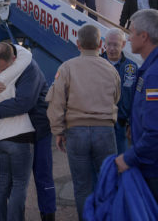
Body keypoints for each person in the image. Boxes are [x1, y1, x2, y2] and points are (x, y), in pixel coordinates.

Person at [0, 45, 56, 221]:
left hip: (38, 128)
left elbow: (24, 102)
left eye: (1, 68)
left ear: (13, 60)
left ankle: (48, 215)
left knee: (42, 176)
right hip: (19, 134)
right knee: (15, 184)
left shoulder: (29, 68)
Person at [46, 24, 120, 221]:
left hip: (76, 133)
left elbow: (56, 103)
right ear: (101, 45)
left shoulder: (67, 68)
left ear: (78, 44)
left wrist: (58, 131)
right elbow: (116, 98)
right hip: (105, 131)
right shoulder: (111, 69)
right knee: (108, 183)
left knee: (82, 186)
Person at [115, 9, 158, 203]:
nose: (129, 38)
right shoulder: (149, 68)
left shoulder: (154, 74)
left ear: (144, 36)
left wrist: (128, 157)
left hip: (153, 167)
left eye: (131, 32)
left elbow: (155, 131)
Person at [101, 28, 138, 154]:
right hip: (99, 125)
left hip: (122, 126)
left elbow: (135, 98)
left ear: (123, 44)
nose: (111, 48)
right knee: (101, 166)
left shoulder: (132, 68)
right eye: (109, 44)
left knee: (121, 164)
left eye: (115, 44)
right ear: (104, 43)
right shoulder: (96, 64)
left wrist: (132, 123)